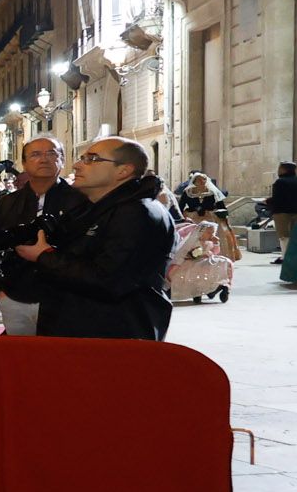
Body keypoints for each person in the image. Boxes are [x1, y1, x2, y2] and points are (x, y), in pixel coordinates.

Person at [16, 136, 177, 340]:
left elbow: (109, 279)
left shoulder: (135, 213)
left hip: (112, 336)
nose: (77, 165)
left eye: (91, 159)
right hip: (82, 330)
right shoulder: (99, 208)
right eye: (82, 158)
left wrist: (44, 255)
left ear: (123, 171)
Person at [0, 137, 88, 335]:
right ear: (24, 163)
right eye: (36, 154)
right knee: (21, 353)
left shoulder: (81, 200)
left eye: (51, 153)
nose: (44, 159)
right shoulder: (8, 203)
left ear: (62, 159)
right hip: (16, 296)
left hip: (66, 298)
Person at [267, 161, 297, 264]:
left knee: (284, 236)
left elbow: (277, 199)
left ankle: (285, 257)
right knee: (296, 235)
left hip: (282, 212)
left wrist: (267, 202)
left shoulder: (280, 182)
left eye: (279, 168)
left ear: (284, 169)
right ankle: (296, 257)